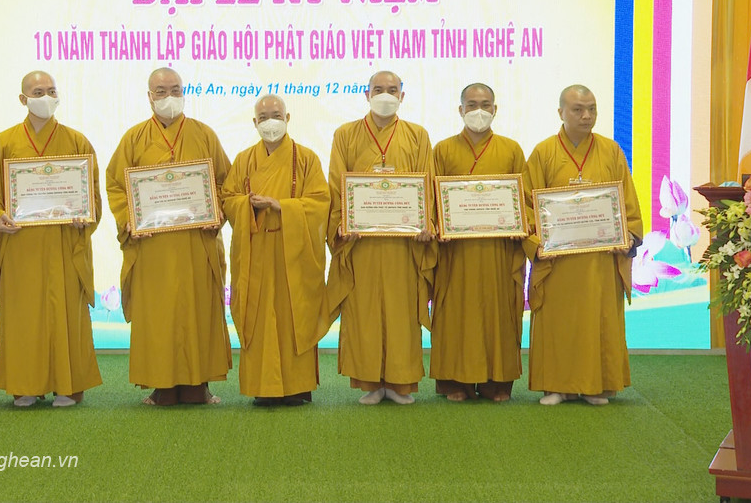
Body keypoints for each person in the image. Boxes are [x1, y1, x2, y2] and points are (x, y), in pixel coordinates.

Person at [106, 67, 232, 406]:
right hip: (153, 247)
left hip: (195, 244)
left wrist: (218, 213)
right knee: (158, 316)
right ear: (149, 97)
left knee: (197, 312)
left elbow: (226, 181)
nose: (169, 97)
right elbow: (116, 185)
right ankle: (160, 385)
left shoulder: (204, 134)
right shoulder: (133, 139)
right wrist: (129, 219)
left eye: (175, 90)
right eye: (161, 91)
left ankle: (198, 385)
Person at [0, 71, 103, 408]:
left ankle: (68, 385)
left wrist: (84, 214)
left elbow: (92, 194)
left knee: (67, 313)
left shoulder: (77, 142)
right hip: (20, 246)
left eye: (51, 90)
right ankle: (26, 386)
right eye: (38, 92)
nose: (46, 97)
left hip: (65, 245)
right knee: (23, 316)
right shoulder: (3, 143)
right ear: (23, 99)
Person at [522, 84, 643, 406]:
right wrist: (537, 243)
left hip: (599, 261)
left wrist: (628, 237)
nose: (586, 115)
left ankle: (595, 386)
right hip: (558, 261)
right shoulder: (544, 152)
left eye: (592, 109)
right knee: (557, 322)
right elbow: (527, 204)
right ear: (560, 112)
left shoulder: (611, 151)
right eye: (578, 109)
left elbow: (628, 202)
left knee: (597, 321)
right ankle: (555, 386)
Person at [326, 70, 436, 405]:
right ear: (367, 94)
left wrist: (426, 223)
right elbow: (336, 183)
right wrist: (341, 223)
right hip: (362, 245)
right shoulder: (345, 134)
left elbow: (427, 182)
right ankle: (371, 382)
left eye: (391, 89)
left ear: (402, 96)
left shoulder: (417, 135)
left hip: (404, 246)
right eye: (378, 89)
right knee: (365, 312)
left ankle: (400, 383)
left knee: (402, 312)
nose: (385, 95)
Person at [221, 94, 330, 406]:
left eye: (276, 115)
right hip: (255, 252)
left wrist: (280, 206)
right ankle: (262, 387)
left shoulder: (306, 159)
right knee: (258, 318)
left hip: (292, 254)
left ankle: (297, 387)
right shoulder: (244, 160)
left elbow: (320, 203)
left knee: (294, 315)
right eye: (264, 117)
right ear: (254, 122)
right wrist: (248, 205)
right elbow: (228, 199)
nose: (270, 122)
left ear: (288, 118)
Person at [430, 83, 527, 402]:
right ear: (460, 110)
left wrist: (520, 223)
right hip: (456, 252)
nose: (479, 111)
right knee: (456, 312)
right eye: (471, 105)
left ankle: (495, 383)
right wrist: (437, 224)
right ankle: (454, 382)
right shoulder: (442, 150)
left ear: (495, 109)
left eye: (485, 104)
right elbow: (431, 198)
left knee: (497, 311)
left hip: (498, 252)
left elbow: (524, 199)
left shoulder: (511, 150)